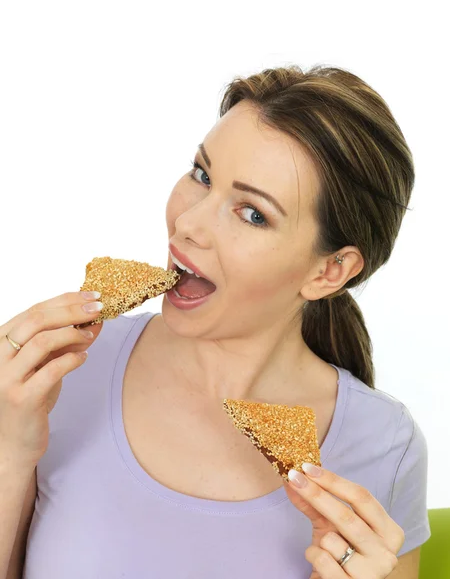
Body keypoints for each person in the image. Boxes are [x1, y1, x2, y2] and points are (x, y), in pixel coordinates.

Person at [1, 64, 431, 578]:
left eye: (252, 213)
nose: (188, 223)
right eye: (202, 175)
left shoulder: (385, 448)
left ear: (329, 270)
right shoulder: (53, 376)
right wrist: (8, 447)